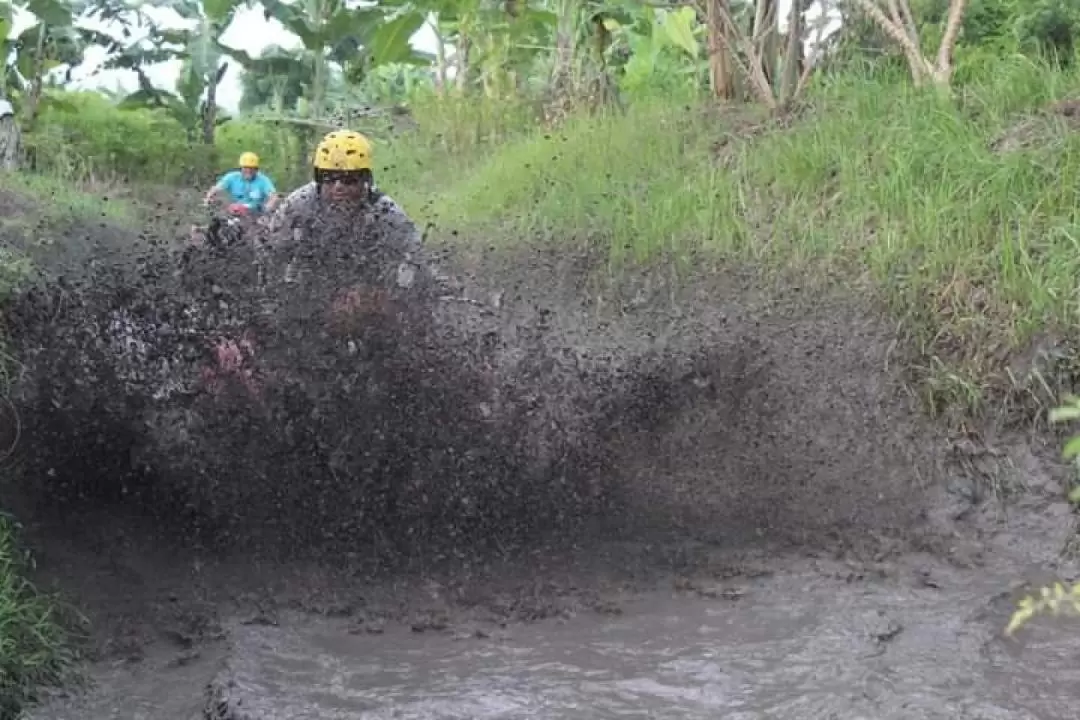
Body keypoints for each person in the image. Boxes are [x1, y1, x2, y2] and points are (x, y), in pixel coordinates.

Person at [204, 151, 280, 217]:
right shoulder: (232, 177)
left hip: (255, 213)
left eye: (251, 168)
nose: (248, 171)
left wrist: (267, 209)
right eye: (245, 168)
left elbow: (274, 196)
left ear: (256, 169)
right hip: (234, 211)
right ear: (241, 168)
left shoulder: (263, 180)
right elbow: (216, 189)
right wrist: (209, 198)